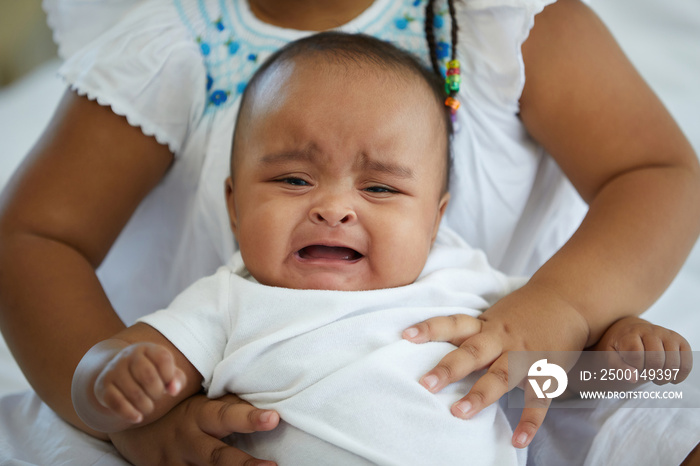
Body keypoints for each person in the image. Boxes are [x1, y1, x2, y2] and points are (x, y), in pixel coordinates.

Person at [0, 0, 699, 464]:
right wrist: (134, 422)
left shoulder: (475, 295)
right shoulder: (231, 301)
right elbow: (33, 241)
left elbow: (658, 175)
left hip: (516, 391)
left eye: (382, 187)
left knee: (659, 421)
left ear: (439, 214)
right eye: (294, 180)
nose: (335, 209)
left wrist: (593, 331)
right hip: (235, 412)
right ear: (234, 205)